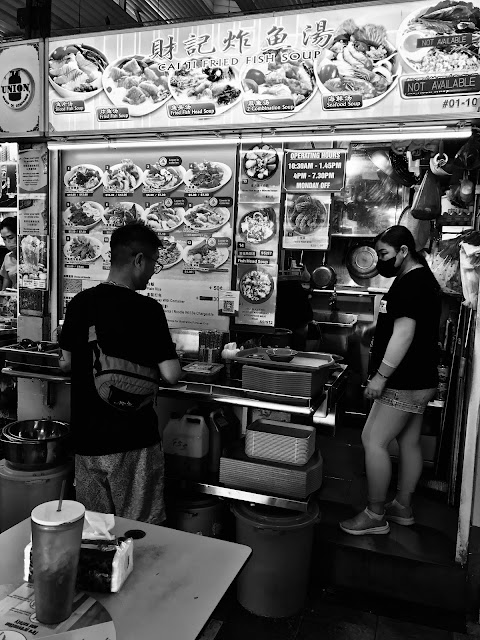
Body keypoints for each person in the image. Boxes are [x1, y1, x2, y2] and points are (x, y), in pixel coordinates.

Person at [59, 223, 181, 524]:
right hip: (134, 442)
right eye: (154, 262)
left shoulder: (80, 303)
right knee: (138, 530)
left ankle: (103, 572)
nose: (154, 271)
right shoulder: (148, 310)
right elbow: (171, 373)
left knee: (97, 530)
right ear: (138, 260)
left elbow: (65, 362)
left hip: (88, 441)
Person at [339, 225, 441, 536]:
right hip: (421, 379)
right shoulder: (423, 279)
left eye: (384, 253)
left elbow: (404, 334)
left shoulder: (410, 283)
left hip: (403, 380)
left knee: (373, 440)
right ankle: (403, 507)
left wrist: (381, 376)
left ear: (403, 251)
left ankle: (375, 512)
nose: (380, 259)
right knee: (408, 441)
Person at [0, 217, 17, 289]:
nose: (7, 242)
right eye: (4, 239)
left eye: (10, 238)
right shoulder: (8, 258)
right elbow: (5, 289)